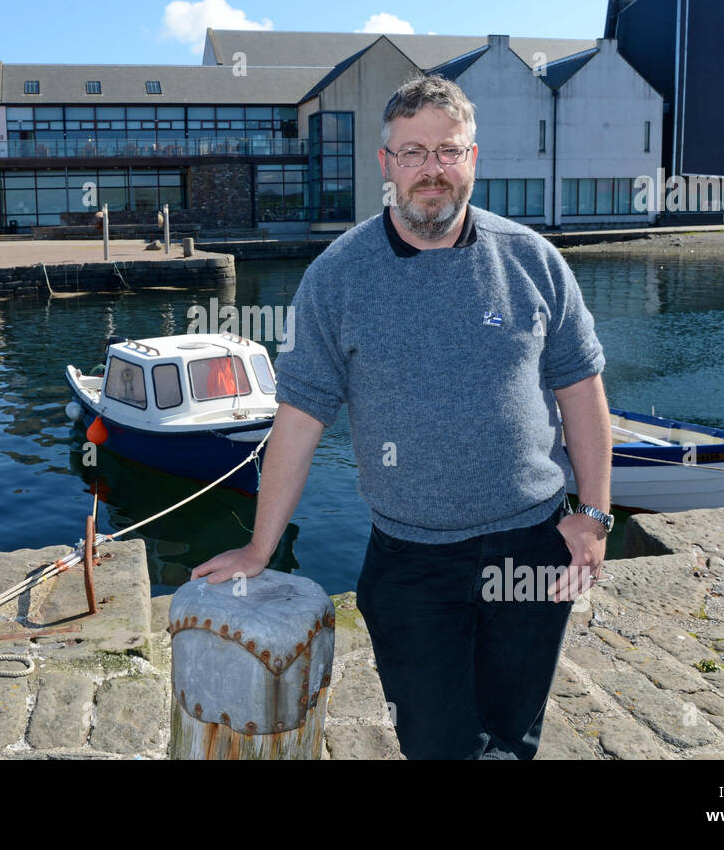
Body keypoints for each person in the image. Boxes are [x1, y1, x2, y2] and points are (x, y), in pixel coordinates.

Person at [192, 75, 613, 760]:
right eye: (412, 153)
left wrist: (594, 516)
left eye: (448, 151)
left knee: (513, 736)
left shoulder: (533, 260)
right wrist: (259, 547)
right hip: (411, 563)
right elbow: (299, 421)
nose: (432, 170)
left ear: (473, 158)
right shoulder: (338, 276)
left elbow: (582, 392)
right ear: (385, 165)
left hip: (533, 548)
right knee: (438, 743)